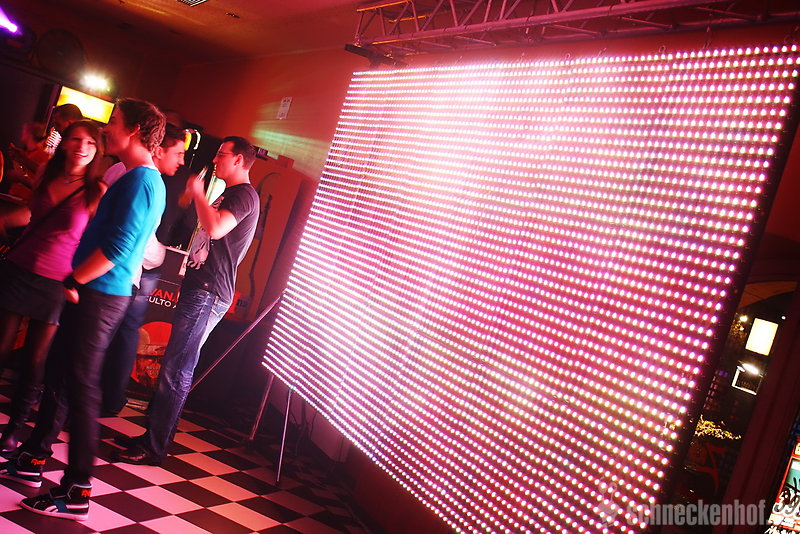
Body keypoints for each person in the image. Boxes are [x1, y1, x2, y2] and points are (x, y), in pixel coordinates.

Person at [0, 98, 166, 522]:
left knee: (82, 388)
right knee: (58, 375)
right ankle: (34, 457)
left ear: (134, 130)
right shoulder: (133, 175)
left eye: (114, 121)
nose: (106, 129)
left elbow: (119, 247)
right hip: (94, 291)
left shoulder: (143, 181)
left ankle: (77, 490)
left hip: (102, 294)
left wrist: (74, 280)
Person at [113, 136, 259, 466]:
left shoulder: (244, 195)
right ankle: (153, 438)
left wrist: (197, 192)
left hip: (209, 292)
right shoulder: (233, 193)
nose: (216, 160)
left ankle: (154, 447)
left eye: (222, 155)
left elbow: (216, 228)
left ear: (238, 160)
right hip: (201, 288)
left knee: (177, 369)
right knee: (174, 366)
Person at [0, 120, 107, 453]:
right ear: (64, 143)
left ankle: (13, 429)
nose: (81, 147)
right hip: (20, 268)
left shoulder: (97, 191)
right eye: (75, 139)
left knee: (34, 362)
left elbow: (97, 242)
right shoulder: (48, 172)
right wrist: (5, 220)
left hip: (56, 282)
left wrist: (82, 281)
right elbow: (32, 214)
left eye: (90, 142)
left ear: (98, 150)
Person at [100, 123, 187, 415]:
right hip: (125, 270)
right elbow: (137, 238)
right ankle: (107, 399)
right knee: (122, 334)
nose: (182, 161)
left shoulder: (126, 172)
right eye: (178, 153)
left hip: (118, 269)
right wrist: (157, 256)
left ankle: (102, 397)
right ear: (158, 149)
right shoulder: (148, 180)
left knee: (116, 334)